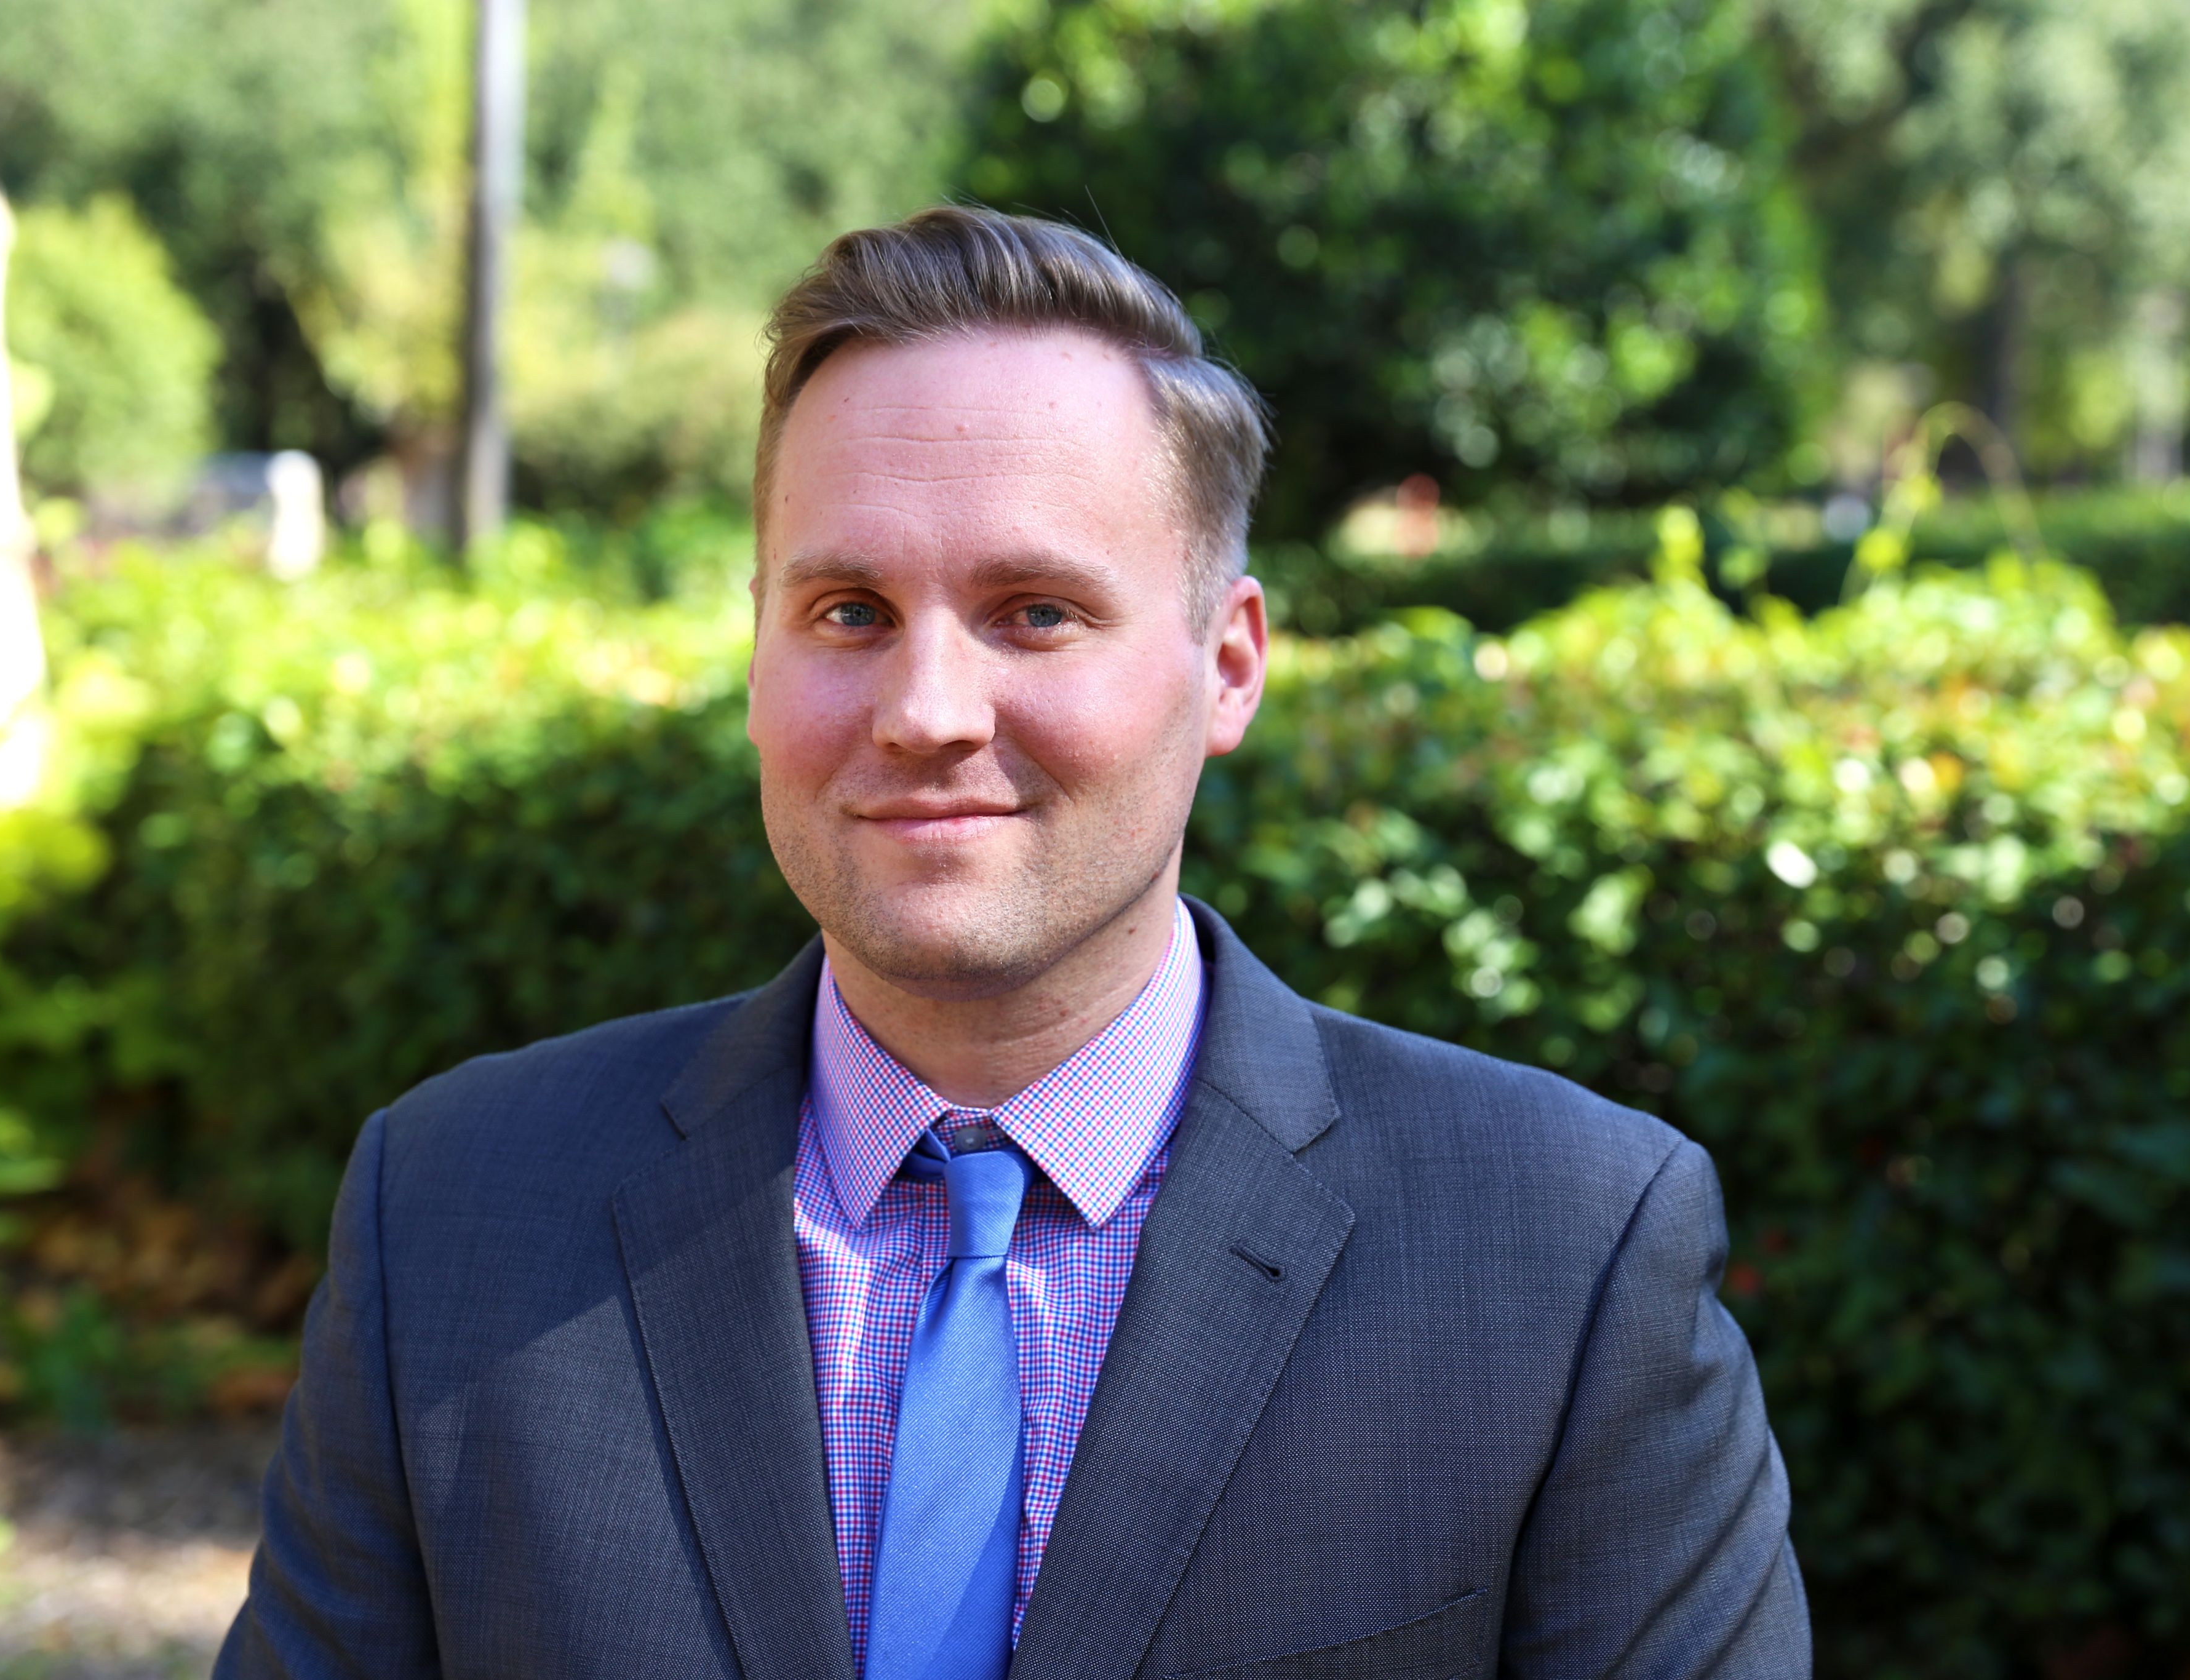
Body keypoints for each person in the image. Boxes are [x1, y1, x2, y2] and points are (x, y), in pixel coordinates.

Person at [216, 207, 1810, 1680]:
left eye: (1035, 610)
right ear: (758, 649)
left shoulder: (1561, 1256)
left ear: (1230, 662)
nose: (925, 712)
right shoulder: (453, 1215)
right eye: (848, 611)